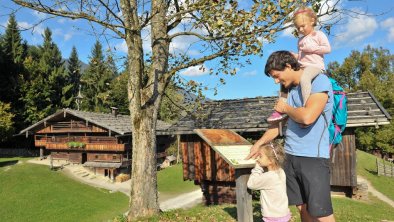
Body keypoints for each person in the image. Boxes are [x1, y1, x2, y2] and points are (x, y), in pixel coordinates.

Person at [247, 51, 335, 222]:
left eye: (277, 76)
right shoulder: (289, 92)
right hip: (290, 155)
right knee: (302, 207)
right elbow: (277, 127)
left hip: (313, 158)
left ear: (288, 66)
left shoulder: (319, 81)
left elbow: (307, 117)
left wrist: (285, 108)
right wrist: (258, 144)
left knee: (321, 213)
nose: (276, 81)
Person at [267, 6, 331, 122]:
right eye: (298, 28)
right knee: (284, 81)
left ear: (312, 21)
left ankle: (306, 106)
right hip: (303, 65)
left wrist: (312, 48)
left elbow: (327, 49)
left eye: (303, 26)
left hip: (315, 66)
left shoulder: (318, 35)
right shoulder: (300, 40)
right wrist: (295, 56)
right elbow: (302, 55)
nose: (301, 30)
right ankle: (280, 108)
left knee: (304, 79)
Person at [247, 142, 291, 222]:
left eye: (260, 156)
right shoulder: (280, 171)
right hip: (283, 214)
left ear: (270, 161)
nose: (258, 159)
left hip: (273, 217)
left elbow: (251, 184)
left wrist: (257, 168)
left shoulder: (269, 177)